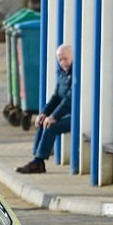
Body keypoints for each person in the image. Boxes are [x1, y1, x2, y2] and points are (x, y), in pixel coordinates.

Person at [16, 44, 74, 174]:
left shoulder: (76, 75)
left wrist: (54, 117)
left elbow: (69, 100)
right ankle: (37, 160)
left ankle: (38, 161)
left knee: (50, 126)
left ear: (72, 57)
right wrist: (44, 113)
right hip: (65, 113)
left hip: (76, 115)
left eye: (65, 59)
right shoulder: (62, 74)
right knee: (42, 122)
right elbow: (56, 97)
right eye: (60, 59)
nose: (63, 62)